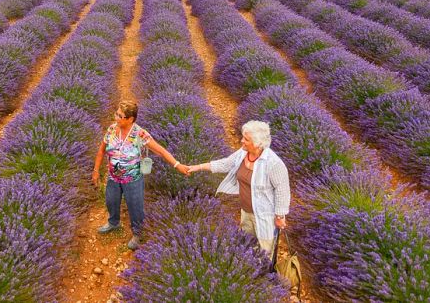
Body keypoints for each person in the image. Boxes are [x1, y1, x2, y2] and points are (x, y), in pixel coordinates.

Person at [92, 100, 190, 250]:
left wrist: (178, 165)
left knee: (135, 207)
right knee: (111, 201)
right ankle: (114, 222)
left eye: (120, 115)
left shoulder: (140, 134)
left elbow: (161, 151)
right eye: (116, 113)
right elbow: (101, 151)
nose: (116, 117)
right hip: (113, 176)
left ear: (130, 119)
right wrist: (96, 170)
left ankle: (138, 234)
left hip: (133, 179)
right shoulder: (112, 129)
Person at [187, 120, 290, 257]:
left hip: (265, 216)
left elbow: (282, 190)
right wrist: (198, 167)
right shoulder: (243, 153)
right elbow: (226, 164)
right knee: (247, 245)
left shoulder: (273, 163)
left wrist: (280, 216)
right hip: (246, 212)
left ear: (258, 143)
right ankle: (248, 271)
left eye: (246, 139)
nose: (242, 141)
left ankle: (262, 276)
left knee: (264, 252)